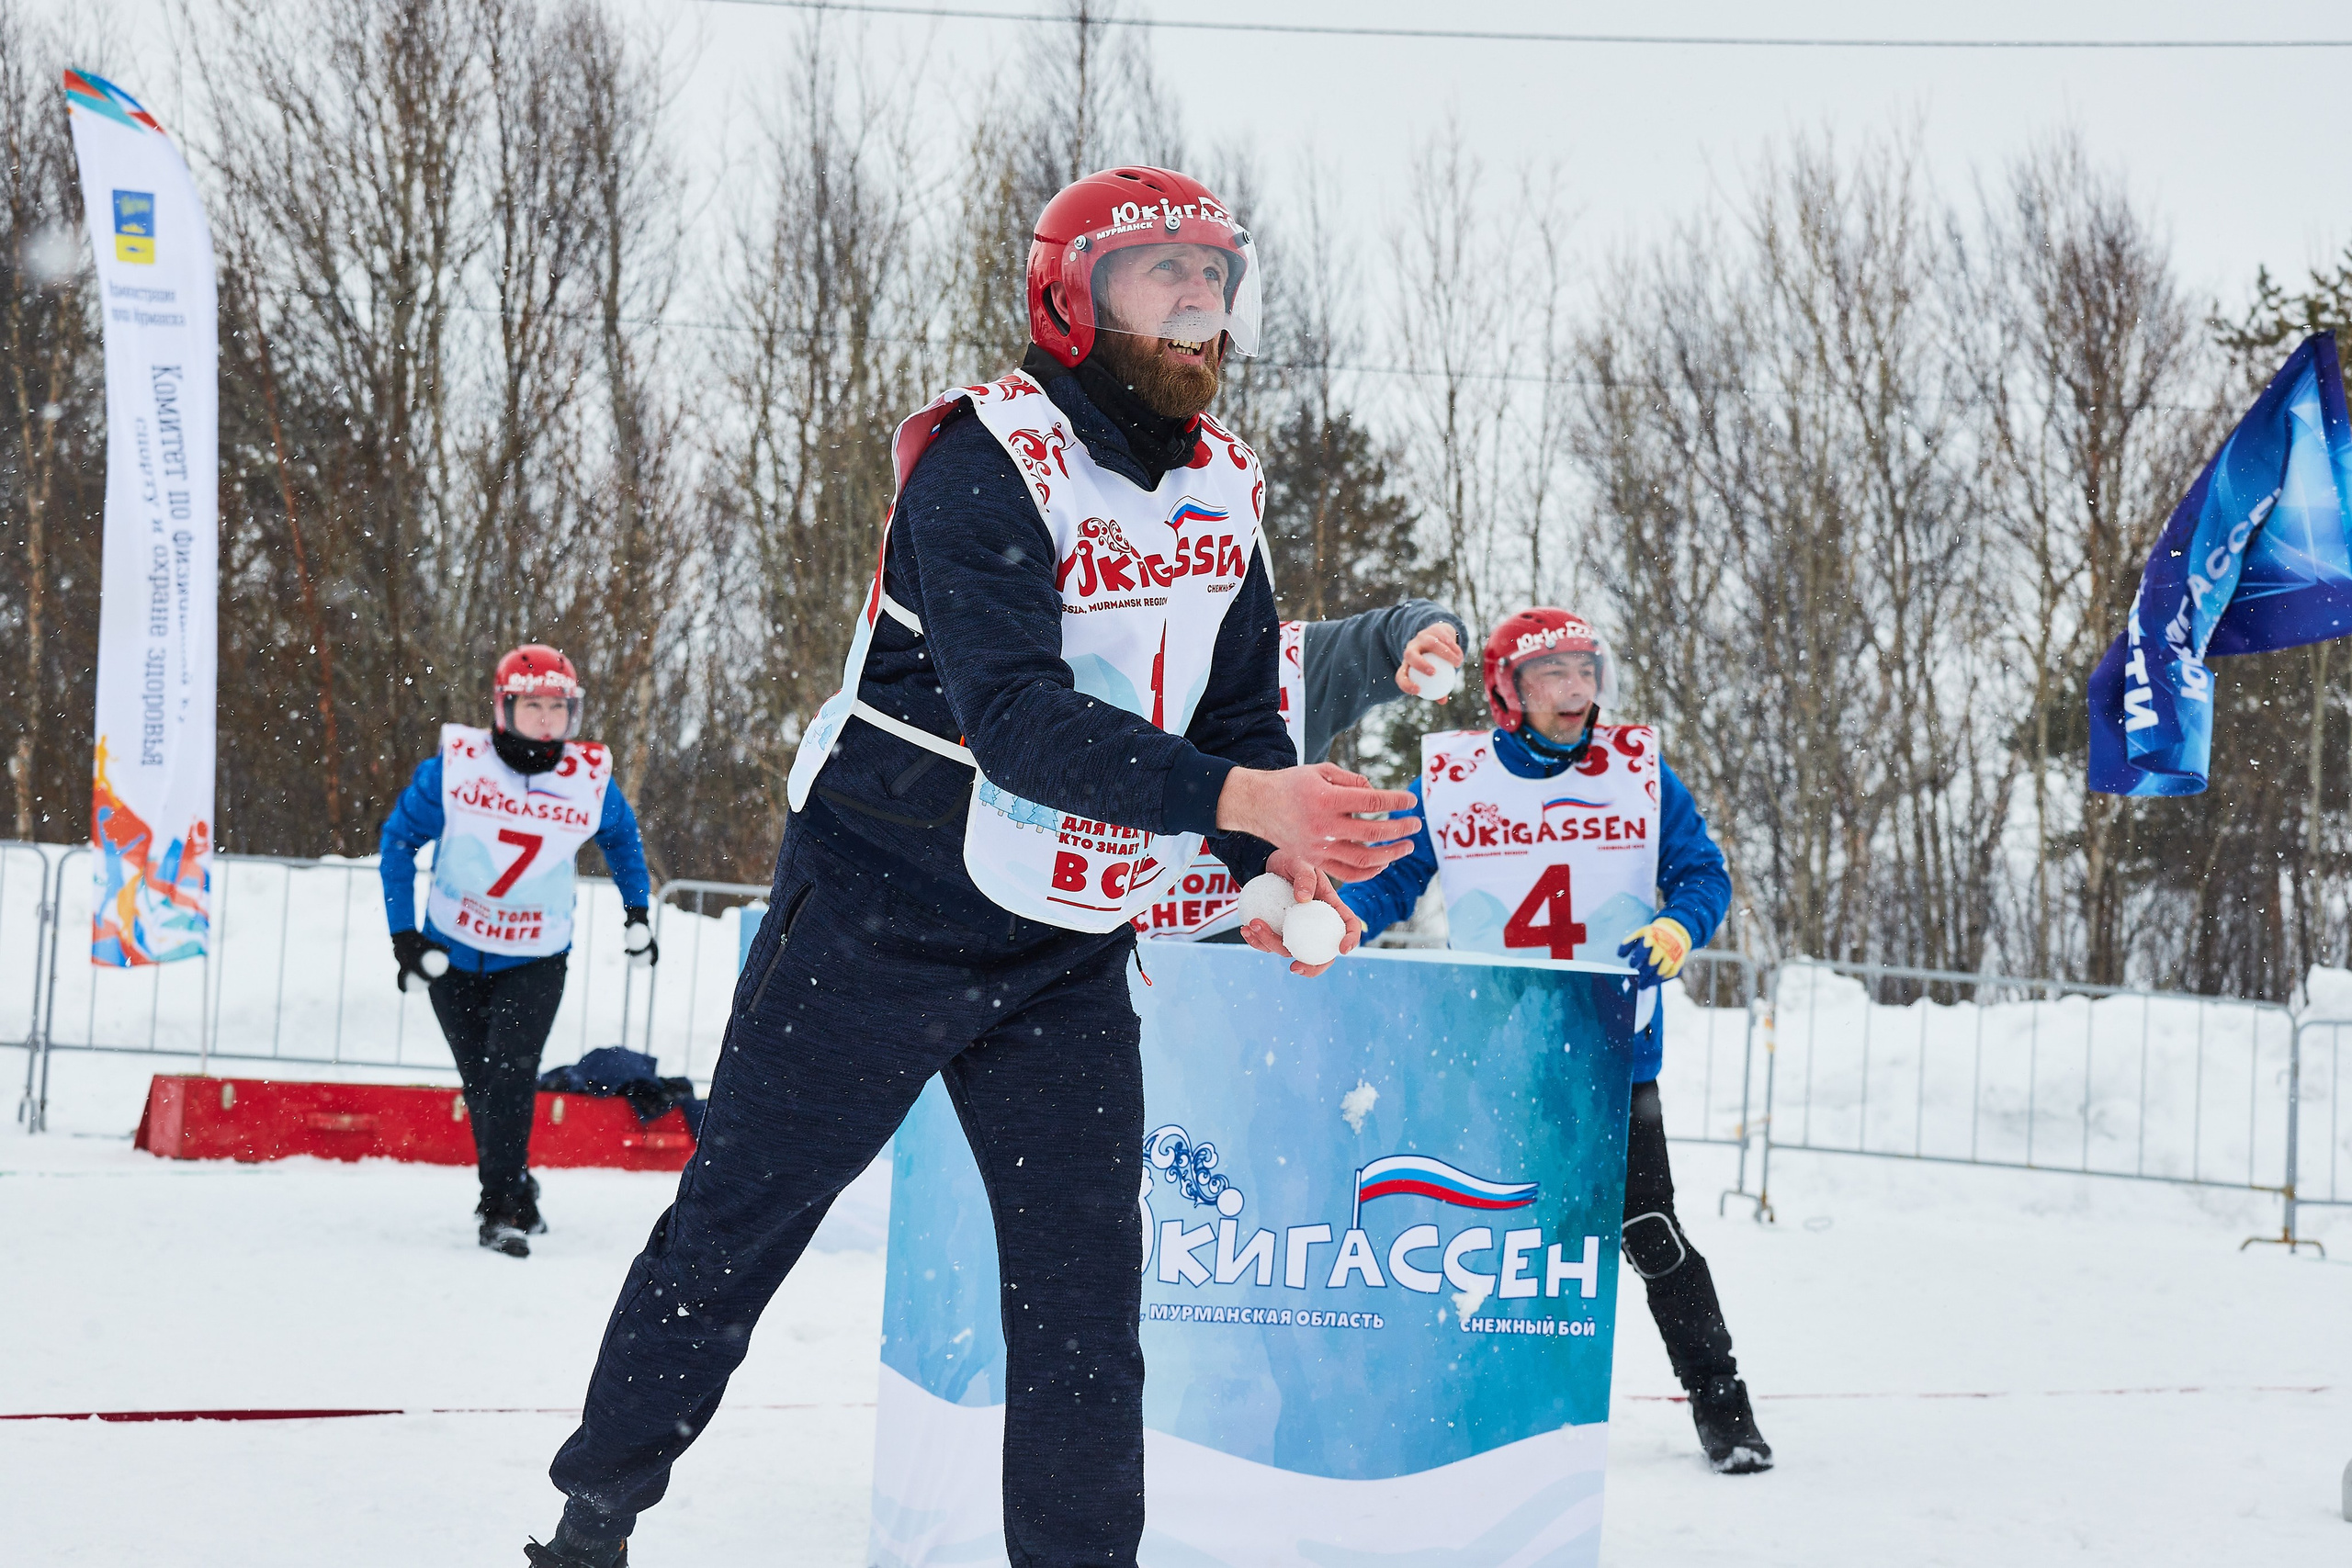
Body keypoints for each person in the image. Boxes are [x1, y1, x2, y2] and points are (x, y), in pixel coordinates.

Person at [525, 165, 1419, 1568]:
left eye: (1214, 276)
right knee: (736, 1230)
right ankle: (593, 1520)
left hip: (1061, 937)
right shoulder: (983, 456)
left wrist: (1275, 858)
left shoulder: (1228, 479)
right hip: (878, 904)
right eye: (1158, 273)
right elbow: (1018, 722)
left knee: (1081, 1301)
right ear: (1072, 300)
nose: (1197, 302)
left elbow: (1242, 713)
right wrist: (1250, 794)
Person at [1340, 608, 1773, 1475]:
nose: (1578, 692)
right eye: (1554, 675)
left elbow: (1702, 871)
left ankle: (1726, 1413)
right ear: (1507, 690)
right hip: (1490, 1048)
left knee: (1649, 1231)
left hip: (1611, 1046)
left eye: (1588, 671)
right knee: (1477, 1240)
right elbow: (1397, 877)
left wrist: (1679, 930)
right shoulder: (1457, 777)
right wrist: (1341, 919)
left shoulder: (1639, 770)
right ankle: (1473, 1415)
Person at [379, 645, 658, 1259]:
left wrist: (637, 912)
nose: (547, 719)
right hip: (451, 950)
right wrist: (404, 936)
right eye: (533, 705)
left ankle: (498, 1208)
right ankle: (517, 1184)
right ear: (504, 707)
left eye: (559, 706)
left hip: (535, 954)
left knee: (509, 1077)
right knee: (481, 1083)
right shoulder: (456, 768)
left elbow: (622, 837)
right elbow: (398, 840)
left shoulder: (588, 778)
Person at [1136, 600, 1467, 940]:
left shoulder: (1296, 659)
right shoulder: (1101, 646)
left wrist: (1428, 632)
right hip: (1108, 937)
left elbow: (1384, 636)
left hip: (1263, 938)